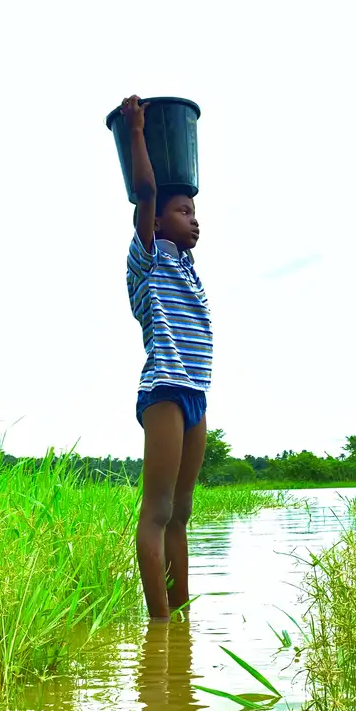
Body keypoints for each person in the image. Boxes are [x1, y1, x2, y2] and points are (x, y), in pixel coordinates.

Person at [121, 94, 212, 621]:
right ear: (157, 222)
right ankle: (159, 626)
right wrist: (137, 130)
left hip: (197, 395)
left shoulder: (187, 266)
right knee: (156, 512)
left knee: (181, 513)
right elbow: (148, 191)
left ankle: (180, 623)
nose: (194, 220)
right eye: (184, 212)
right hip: (165, 392)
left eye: (195, 211)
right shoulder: (147, 256)